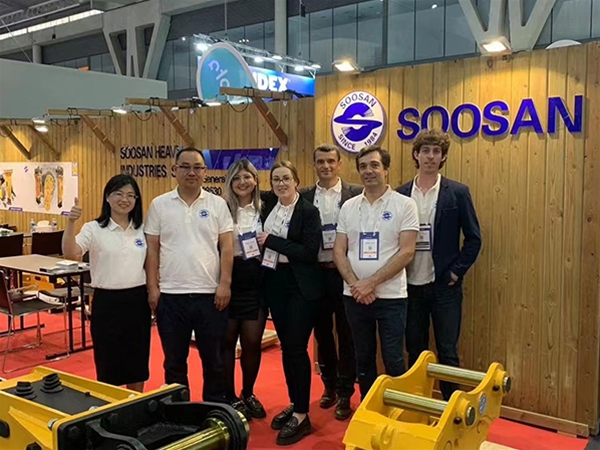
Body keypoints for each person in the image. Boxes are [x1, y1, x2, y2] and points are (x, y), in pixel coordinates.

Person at [396, 129, 482, 400]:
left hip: (445, 286)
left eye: (436, 152)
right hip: (410, 286)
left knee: (447, 351)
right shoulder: (400, 194)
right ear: (416, 155)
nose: (430, 156)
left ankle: (450, 407)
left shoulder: (457, 193)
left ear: (443, 157)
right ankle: (418, 404)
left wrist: (456, 272)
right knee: (415, 349)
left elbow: (474, 239)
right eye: (425, 151)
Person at [145, 147, 234, 403]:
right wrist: (153, 287)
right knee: (174, 363)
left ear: (205, 172)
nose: (191, 172)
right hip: (171, 296)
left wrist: (225, 284)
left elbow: (227, 247)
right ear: (174, 170)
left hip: (210, 296)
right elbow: (152, 249)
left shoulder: (217, 205)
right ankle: (179, 414)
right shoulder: (160, 205)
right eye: (185, 167)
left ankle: (214, 412)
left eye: (197, 167)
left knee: (214, 361)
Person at [333, 146, 419, 400]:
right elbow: (338, 251)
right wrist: (356, 285)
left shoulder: (405, 204)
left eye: (374, 165)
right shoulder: (348, 206)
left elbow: (407, 252)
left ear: (386, 169)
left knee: (393, 358)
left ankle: (398, 411)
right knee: (363, 357)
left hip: (391, 297)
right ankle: (368, 408)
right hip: (354, 296)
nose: (368, 171)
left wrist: (370, 283)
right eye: (363, 167)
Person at [62, 174, 150, 392]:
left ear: (136, 200)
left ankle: (136, 404)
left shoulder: (142, 229)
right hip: (106, 302)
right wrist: (71, 223)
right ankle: (111, 407)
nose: (124, 199)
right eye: (118, 194)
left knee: (137, 361)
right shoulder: (94, 228)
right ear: (108, 197)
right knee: (108, 362)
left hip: (138, 301)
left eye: (130, 195)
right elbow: (71, 253)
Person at [258, 160, 323, 446]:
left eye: (286, 178)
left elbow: (309, 252)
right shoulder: (269, 205)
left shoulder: (308, 211)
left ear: (296, 181)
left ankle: (302, 413)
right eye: (276, 179)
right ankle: (295, 403)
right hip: (274, 282)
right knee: (287, 348)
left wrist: (271, 241)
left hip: (300, 287)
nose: (281, 183)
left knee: (296, 348)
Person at [299, 144, 361, 420]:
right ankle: (330, 386)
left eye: (330, 161)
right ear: (314, 165)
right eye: (320, 162)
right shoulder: (303, 196)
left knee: (347, 333)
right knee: (322, 333)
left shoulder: (355, 194)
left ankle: (346, 392)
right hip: (315, 273)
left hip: (345, 272)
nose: (326, 166)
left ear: (339, 164)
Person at [222, 159, 267, 420]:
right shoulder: (222, 209)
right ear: (230, 182)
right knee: (227, 342)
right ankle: (229, 396)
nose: (242, 182)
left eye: (247, 177)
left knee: (251, 342)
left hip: (256, 279)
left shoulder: (266, 207)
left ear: (255, 180)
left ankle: (248, 392)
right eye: (237, 178)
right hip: (229, 277)